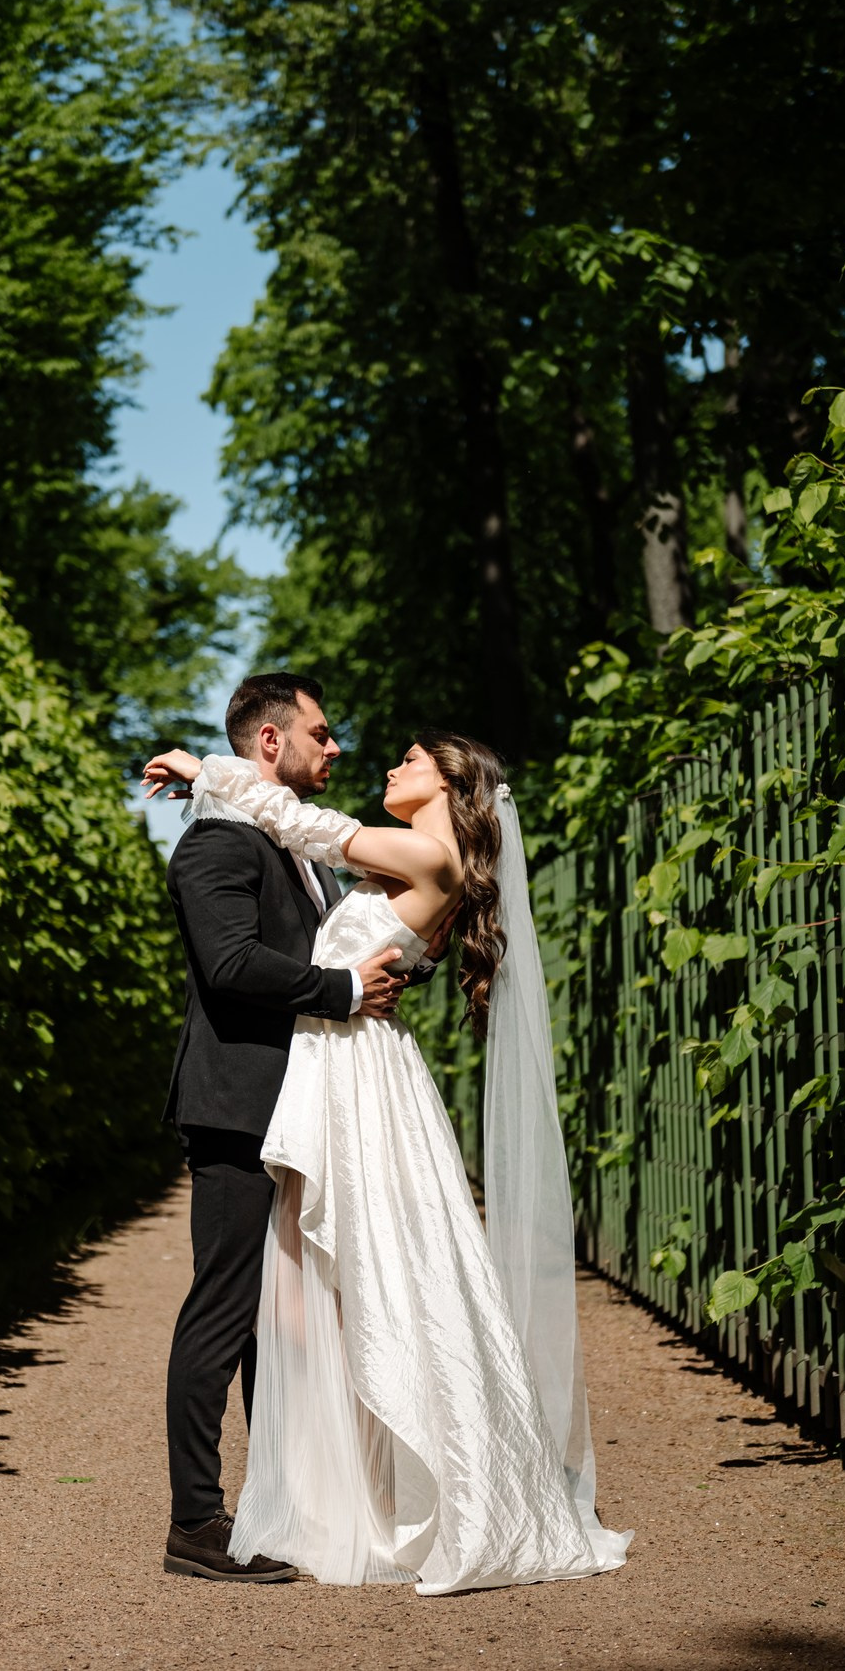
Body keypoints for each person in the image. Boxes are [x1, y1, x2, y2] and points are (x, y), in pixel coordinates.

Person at [142, 729, 632, 1595]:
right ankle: (318, 1490)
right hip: (337, 1073)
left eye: (411, 760)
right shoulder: (412, 860)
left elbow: (304, 821)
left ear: (449, 783)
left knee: (375, 1282)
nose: (388, 766)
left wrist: (203, 770)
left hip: (358, 1079)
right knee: (321, 1290)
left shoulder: (423, 853)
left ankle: (408, 1482)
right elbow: (293, 846)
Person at [153, 673, 436, 1583]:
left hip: (305, 1110)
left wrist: (384, 969)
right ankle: (195, 1524)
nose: (337, 747)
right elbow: (233, 965)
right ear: (270, 743)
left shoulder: (291, 845)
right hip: (238, 1107)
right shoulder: (213, 846)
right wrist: (347, 990)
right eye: (322, 732)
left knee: (285, 1325)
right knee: (225, 1311)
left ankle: (285, 1505)